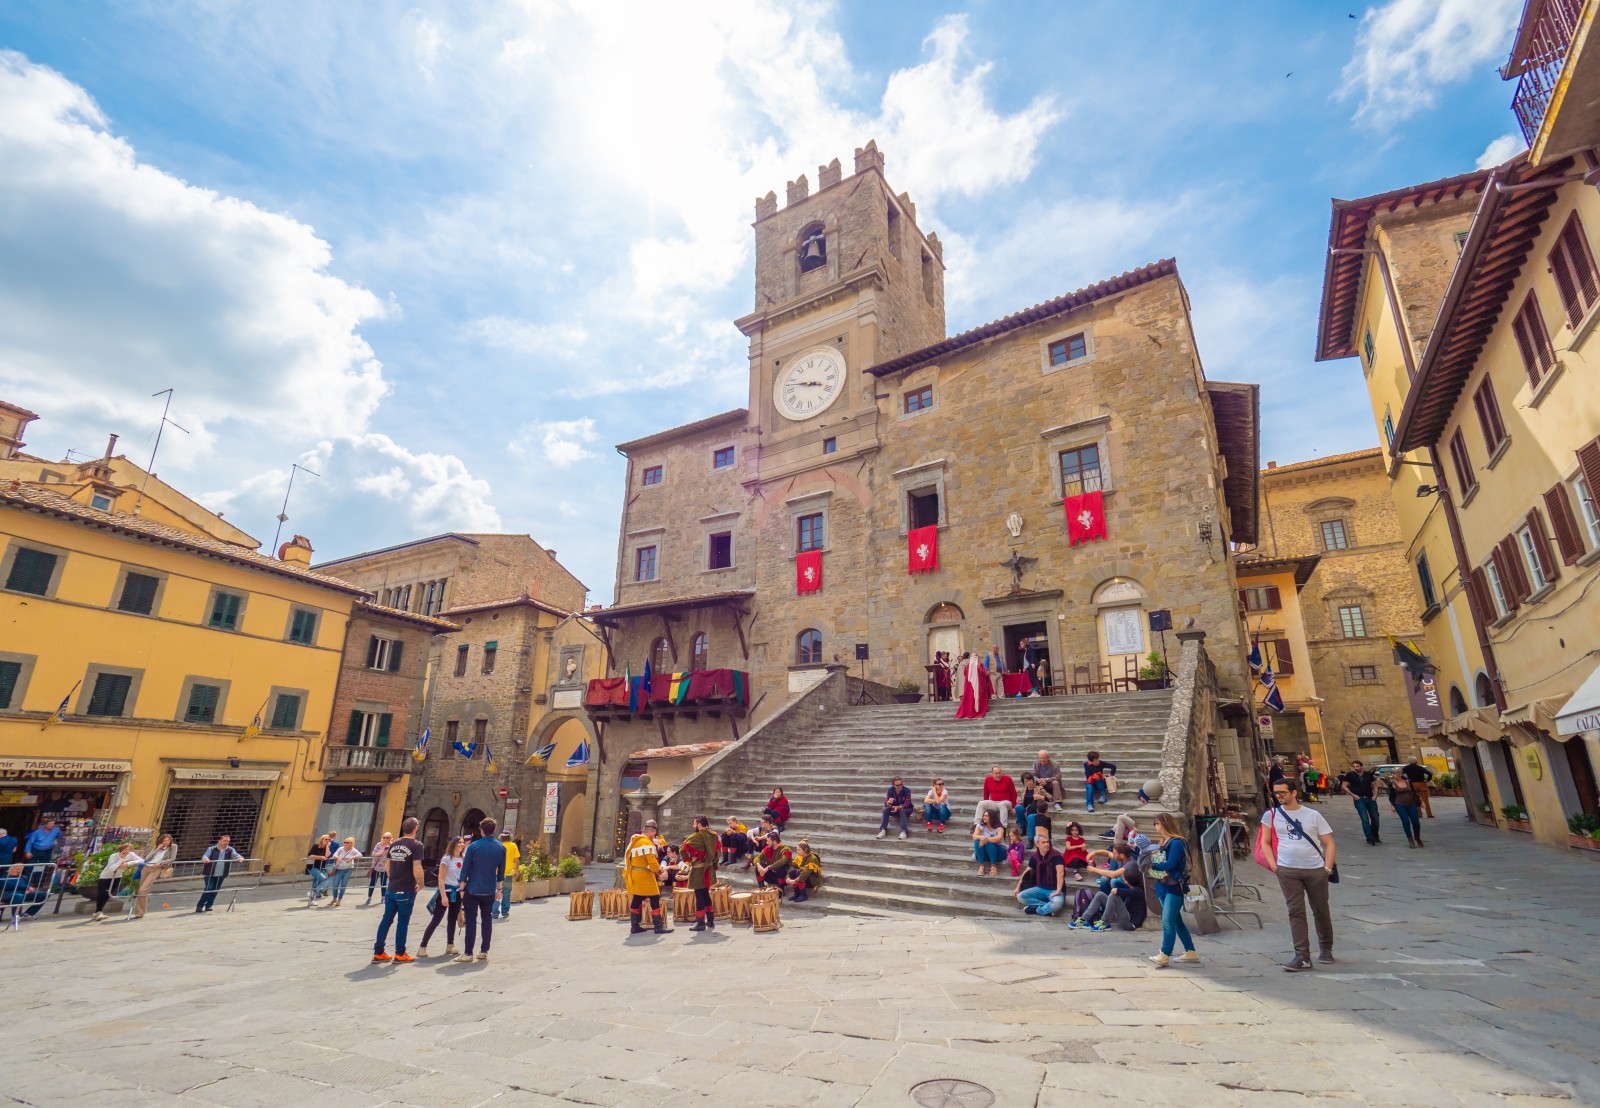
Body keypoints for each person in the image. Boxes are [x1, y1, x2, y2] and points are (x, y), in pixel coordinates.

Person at [1262, 779, 1337, 972]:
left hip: (1315, 869)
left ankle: (1326, 947)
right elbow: (1265, 842)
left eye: (1282, 792)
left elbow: (1329, 843)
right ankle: (1302, 956)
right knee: (1295, 911)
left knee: (1320, 909)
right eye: (1276, 792)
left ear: (1294, 793)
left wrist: (1327, 869)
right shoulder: (1271, 815)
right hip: (1287, 870)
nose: (1278, 796)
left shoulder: (1313, 815)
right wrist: (1274, 866)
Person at [1146, 813, 1198, 967]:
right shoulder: (1163, 842)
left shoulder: (1176, 843)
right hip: (1163, 884)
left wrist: (1152, 866)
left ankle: (1164, 954)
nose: (1155, 826)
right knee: (1176, 922)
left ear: (1164, 823)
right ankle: (1191, 951)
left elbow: (1170, 864)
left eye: (1157, 823)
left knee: (1167, 921)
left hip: (1174, 886)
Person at [456, 817, 508, 962]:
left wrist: (462, 889)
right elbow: (501, 872)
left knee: (471, 920)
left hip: (473, 888)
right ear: (494, 830)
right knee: (487, 919)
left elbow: (465, 869)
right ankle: (484, 950)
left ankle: (468, 953)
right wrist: (499, 890)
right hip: (489, 889)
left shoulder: (473, 846)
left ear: (481, 830)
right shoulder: (501, 847)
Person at [373, 817, 425, 963]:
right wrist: (421, 883)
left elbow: (387, 864)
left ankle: (378, 952)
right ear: (416, 828)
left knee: (386, 920)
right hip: (406, 888)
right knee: (402, 922)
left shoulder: (395, 843)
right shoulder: (417, 845)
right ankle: (400, 953)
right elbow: (417, 866)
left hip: (392, 888)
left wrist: (392, 878)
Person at [418, 836, 466, 957]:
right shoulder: (446, 859)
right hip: (446, 891)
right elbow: (441, 879)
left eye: (462, 843)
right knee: (436, 920)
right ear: (454, 844)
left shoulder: (463, 858)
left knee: (452, 919)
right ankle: (422, 946)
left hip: (457, 893)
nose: (462, 844)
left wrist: (463, 890)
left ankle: (450, 945)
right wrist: (443, 896)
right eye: (459, 842)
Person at [623, 820, 671, 936]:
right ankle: (658, 927)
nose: (654, 836)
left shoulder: (635, 841)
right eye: (654, 834)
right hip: (645, 875)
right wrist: (660, 873)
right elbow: (652, 863)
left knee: (637, 898)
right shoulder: (647, 843)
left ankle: (634, 926)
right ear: (651, 832)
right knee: (654, 897)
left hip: (635, 874)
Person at [1071, 843, 1136, 930]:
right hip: (1117, 906)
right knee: (1100, 893)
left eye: (1115, 853)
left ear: (1121, 855)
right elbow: (1107, 853)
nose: (1113, 855)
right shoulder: (1121, 858)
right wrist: (1094, 853)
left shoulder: (1131, 864)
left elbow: (1113, 874)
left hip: (1125, 909)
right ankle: (1084, 920)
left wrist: (1094, 869)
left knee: (1113, 883)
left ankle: (1105, 922)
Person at [1014, 830, 1067, 916]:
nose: (1046, 844)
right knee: (1020, 896)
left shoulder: (1056, 856)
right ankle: (1047, 907)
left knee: (1056, 903)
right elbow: (1026, 872)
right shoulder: (1035, 857)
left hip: (1055, 889)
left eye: (1047, 842)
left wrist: (1058, 891)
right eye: (1043, 842)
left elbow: (1060, 873)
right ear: (1037, 844)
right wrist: (1018, 887)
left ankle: (1036, 910)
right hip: (1040, 888)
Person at [682, 815, 720, 929]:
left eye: (694, 823)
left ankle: (700, 923)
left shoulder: (696, 836)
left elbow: (683, 849)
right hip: (708, 869)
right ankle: (710, 920)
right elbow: (717, 852)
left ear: (699, 825)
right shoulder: (714, 836)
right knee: (705, 893)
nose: (693, 825)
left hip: (698, 870)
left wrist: (690, 859)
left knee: (699, 894)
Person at [93, 842, 143, 921]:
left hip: (117, 876)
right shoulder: (113, 856)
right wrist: (121, 859)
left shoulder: (131, 855)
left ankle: (98, 912)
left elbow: (141, 860)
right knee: (102, 893)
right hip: (105, 876)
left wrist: (127, 863)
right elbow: (112, 868)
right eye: (125, 849)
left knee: (108, 894)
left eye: (129, 849)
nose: (127, 851)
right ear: (121, 849)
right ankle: (98, 911)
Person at [195, 835, 244, 913]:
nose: (226, 843)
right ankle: (200, 906)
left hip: (221, 874)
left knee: (215, 890)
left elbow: (236, 856)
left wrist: (240, 858)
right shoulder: (212, 849)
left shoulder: (230, 850)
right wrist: (205, 859)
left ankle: (209, 905)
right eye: (225, 841)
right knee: (209, 888)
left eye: (228, 841)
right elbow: (205, 856)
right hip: (210, 873)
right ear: (219, 841)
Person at [1340, 760, 1382, 845]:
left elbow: (1374, 785)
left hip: (1370, 798)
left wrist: (1375, 795)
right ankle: (1370, 839)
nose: (1356, 768)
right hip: (1359, 798)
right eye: (1354, 766)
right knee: (1364, 818)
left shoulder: (1368, 774)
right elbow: (1344, 786)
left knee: (1375, 818)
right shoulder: (1350, 775)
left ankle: (1375, 836)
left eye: (1357, 766)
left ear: (1361, 766)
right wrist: (1353, 795)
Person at [133, 834, 176, 919]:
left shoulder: (173, 847)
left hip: (156, 869)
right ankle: (139, 912)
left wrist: (160, 863)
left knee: (143, 889)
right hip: (146, 868)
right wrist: (157, 849)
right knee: (142, 890)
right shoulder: (157, 846)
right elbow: (147, 858)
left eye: (168, 840)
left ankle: (140, 912)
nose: (166, 842)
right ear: (161, 841)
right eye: (164, 841)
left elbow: (172, 859)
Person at [1385, 771, 1424, 848]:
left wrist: (1422, 801)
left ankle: (1417, 837)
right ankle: (1410, 839)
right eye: (1392, 773)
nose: (1393, 775)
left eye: (1395, 773)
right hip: (1399, 804)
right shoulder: (1392, 784)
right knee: (1406, 821)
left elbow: (1414, 792)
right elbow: (1391, 796)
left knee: (1416, 822)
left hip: (1411, 803)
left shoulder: (1408, 781)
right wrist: (1392, 805)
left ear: (1400, 774)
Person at [954, 651, 991, 719]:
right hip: (978, 685)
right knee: (977, 697)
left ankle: (971, 710)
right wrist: (987, 673)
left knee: (971, 698)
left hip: (970, 685)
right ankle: (978, 710)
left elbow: (965, 674)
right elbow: (983, 673)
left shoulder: (967, 665)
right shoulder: (979, 664)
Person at [494, 833, 521, 920]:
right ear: (509, 837)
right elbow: (516, 859)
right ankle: (505, 912)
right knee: (506, 893)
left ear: (500, 837)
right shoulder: (513, 845)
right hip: (508, 873)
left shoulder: (497, 845)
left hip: (497, 873)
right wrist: (516, 870)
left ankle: (494, 913)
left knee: (496, 892)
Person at [785, 837, 823, 902]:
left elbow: (807, 872)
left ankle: (803, 895)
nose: (797, 851)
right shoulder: (799, 857)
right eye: (797, 849)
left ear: (805, 851)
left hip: (812, 880)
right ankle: (797, 894)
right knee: (792, 871)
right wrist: (787, 878)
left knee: (799, 872)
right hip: (801, 878)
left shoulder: (812, 858)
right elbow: (792, 867)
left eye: (799, 850)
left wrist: (796, 880)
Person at [327, 838, 362, 906]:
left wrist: (351, 858)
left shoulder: (353, 850)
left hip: (347, 869)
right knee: (335, 884)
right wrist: (338, 858)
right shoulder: (341, 849)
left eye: (347, 842)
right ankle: (334, 898)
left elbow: (360, 855)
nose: (345, 843)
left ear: (351, 843)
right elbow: (334, 855)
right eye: (344, 842)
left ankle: (339, 899)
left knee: (343, 885)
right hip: (338, 869)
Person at [972, 809, 1006, 876]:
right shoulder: (980, 826)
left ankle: (993, 866)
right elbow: (974, 836)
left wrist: (986, 839)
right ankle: (981, 866)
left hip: (999, 853)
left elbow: (998, 839)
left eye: (986, 816)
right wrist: (982, 838)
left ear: (992, 817)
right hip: (986, 853)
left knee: (989, 843)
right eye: (984, 815)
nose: (984, 817)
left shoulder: (1000, 828)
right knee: (977, 842)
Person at [364, 832, 392, 906]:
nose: (385, 839)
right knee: (373, 882)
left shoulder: (392, 845)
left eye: (387, 837)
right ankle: (369, 897)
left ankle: (383, 897)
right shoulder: (378, 844)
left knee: (383, 883)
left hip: (385, 867)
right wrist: (382, 851)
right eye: (384, 837)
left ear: (390, 838)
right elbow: (374, 854)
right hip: (376, 866)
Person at [305, 834, 333, 906]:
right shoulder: (315, 846)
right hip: (312, 867)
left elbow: (327, 856)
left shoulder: (327, 848)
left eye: (329, 840)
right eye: (326, 839)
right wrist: (320, 857)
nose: (327, 840)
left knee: (317, 880)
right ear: (322, 840)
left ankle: (311, 899)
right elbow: (310, 856)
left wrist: (327, 847)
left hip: (320, 868)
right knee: (322, 878)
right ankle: (312, 892)